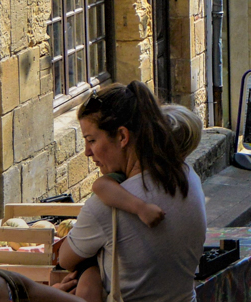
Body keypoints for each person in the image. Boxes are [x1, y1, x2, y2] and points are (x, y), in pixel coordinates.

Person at [57, 81, 206, 302]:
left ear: (122, 137)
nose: (87, 152)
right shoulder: (188, 177)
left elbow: (65, 259)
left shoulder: (104, 208)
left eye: (92, 140)